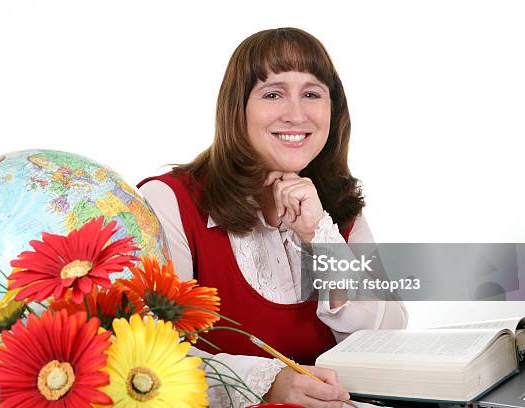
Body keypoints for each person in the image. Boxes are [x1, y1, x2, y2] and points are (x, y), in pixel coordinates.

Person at [138, 27, 408, 408]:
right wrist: (268, 383)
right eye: (273, 94)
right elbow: (148, 361)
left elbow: (389, 333)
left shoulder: (337, 206)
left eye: (312, 94)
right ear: (238, 108)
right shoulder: (170, 201)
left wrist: (320, 238)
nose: (296, 115)